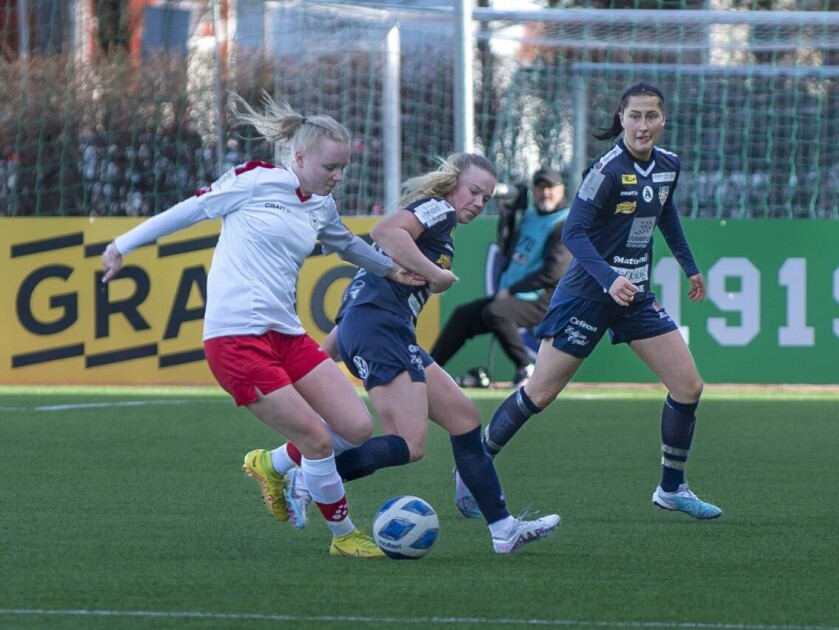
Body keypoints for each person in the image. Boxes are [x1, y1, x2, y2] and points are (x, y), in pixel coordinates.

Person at [102, 93, 433, 559]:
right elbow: (191, 209)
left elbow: (346, 245)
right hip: (235, 340)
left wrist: (390, 269)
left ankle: (270, 463)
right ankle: (344, 536)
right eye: (330, 167)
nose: (337, 177)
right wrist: (123, 244)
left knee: (356, 426)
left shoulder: (320, 204)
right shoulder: (256, 181)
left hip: (287, 335)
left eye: (343, 168)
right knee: (317, 439)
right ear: (299, 157)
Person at [251, 153, 562, 554]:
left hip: (382, 329)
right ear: (452, 185)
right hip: (383, 330)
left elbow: (357, 305)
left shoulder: (436, 221)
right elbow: (384, 232)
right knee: (409, 444)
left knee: (465, 420)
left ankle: (504, 530)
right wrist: (436, 275)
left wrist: (320, 357)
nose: (477, 202)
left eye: (485, 198)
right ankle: (310, 478)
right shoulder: (439, 211)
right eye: (473, 191)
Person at [456, 82, 722, 520]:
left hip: (633, 296)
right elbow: (575, 233)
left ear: (663, 120)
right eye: (634, 116)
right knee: (540, 393)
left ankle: (671, 489)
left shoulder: (669, 166)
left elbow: (666, 214)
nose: (642, 125)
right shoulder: (606, 170)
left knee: (689, 386)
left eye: (651, 116)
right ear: (621, 118)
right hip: (586, 295)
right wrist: (609, 277)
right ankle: (472, 465)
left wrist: (690, 266)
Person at [429, 167, 572, 387]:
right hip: (517, 293)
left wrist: (512, 291)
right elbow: (506, 252)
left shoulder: (564, 221)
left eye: (550, 188)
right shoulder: (530, 217)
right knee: (463, 316)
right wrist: (507, 215)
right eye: (540, 188)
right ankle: (428, 370)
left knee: (496, 312)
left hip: (546, 297)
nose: (545, 194)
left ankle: (527, 369)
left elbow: (554, 273)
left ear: (561, 189)